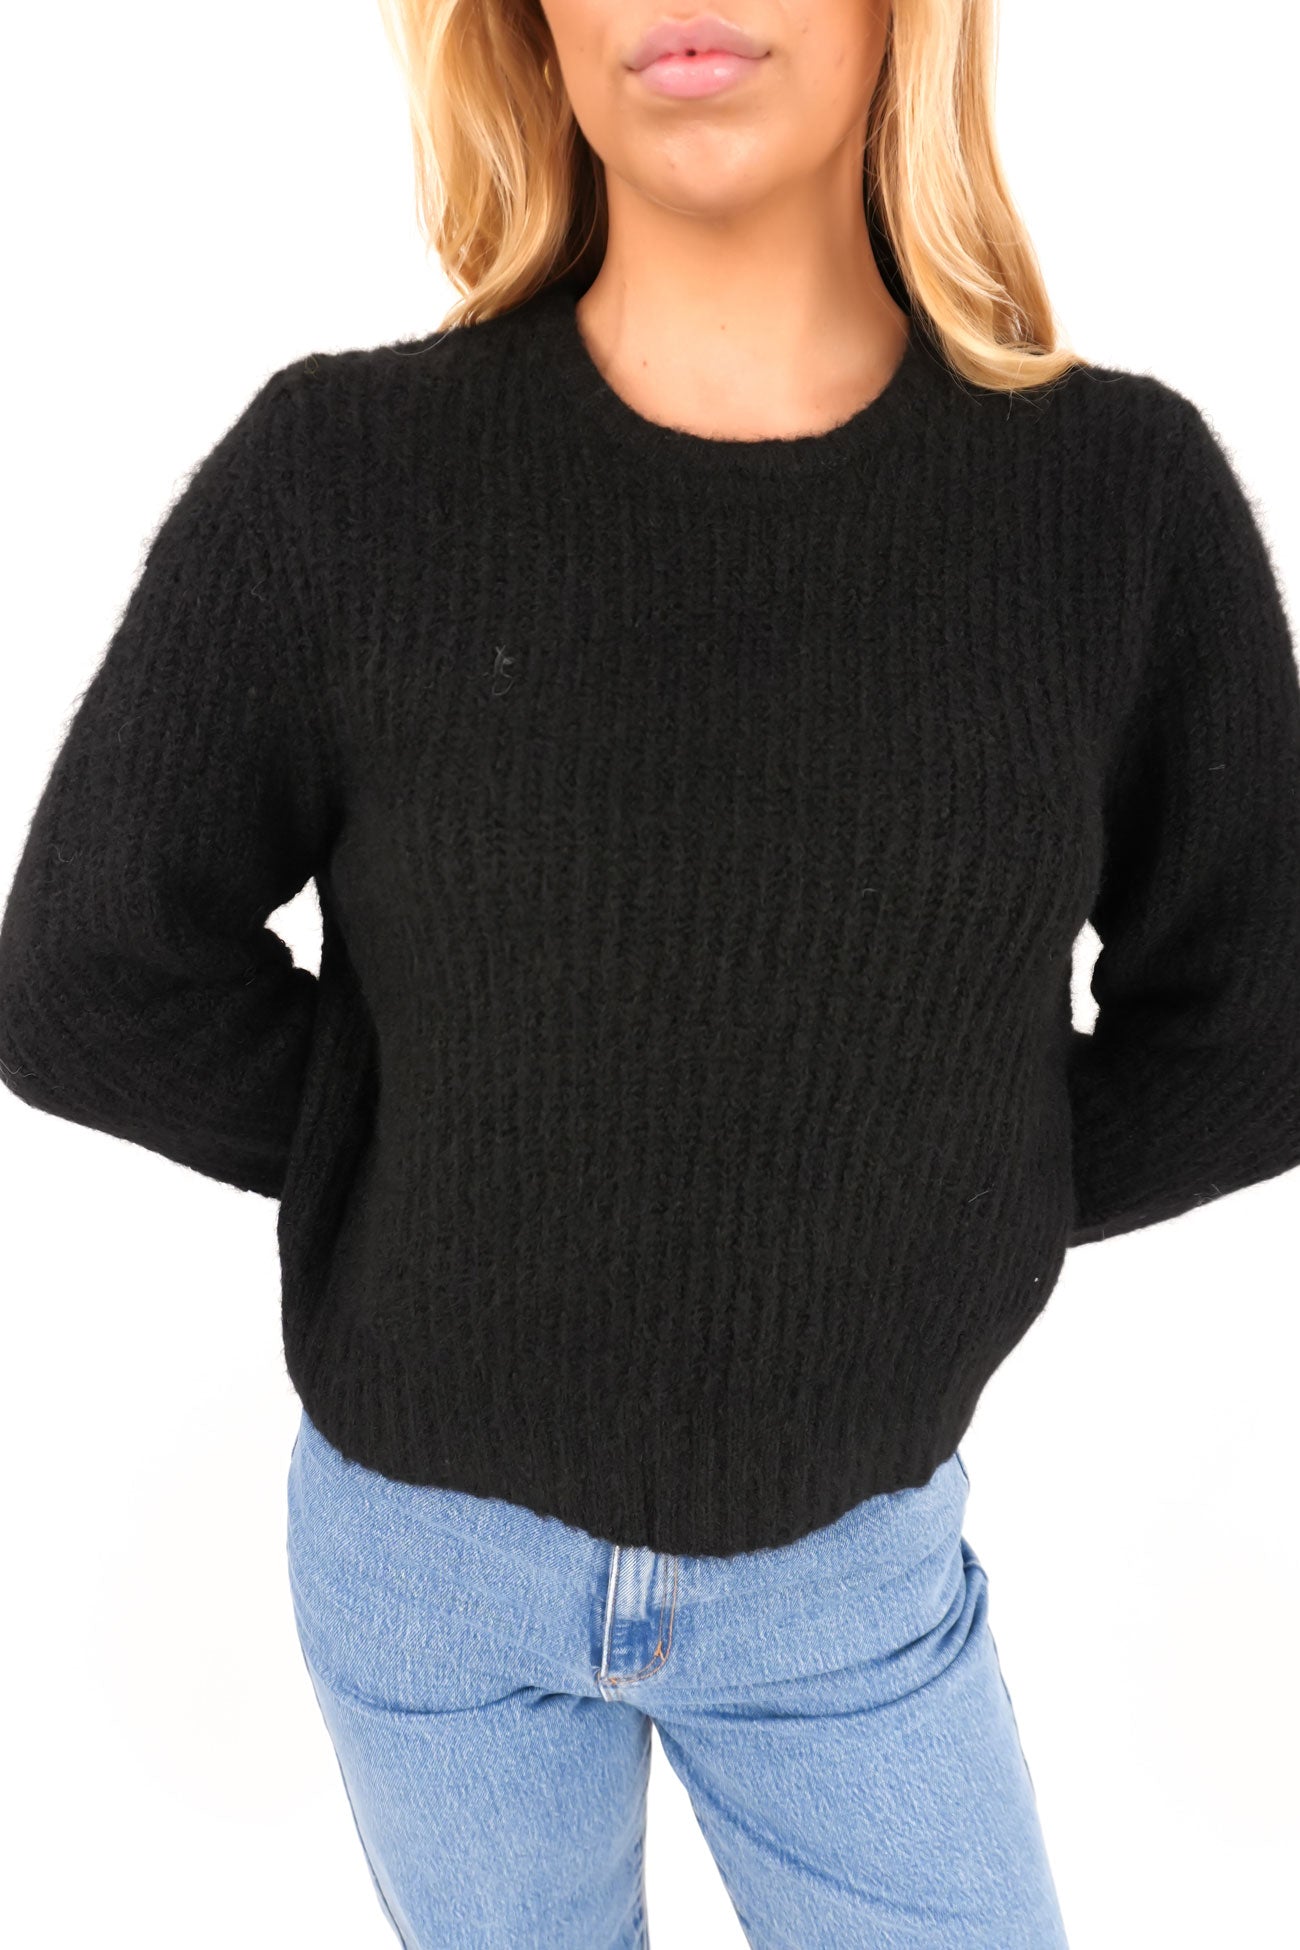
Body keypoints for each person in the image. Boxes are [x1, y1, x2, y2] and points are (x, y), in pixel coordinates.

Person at [2, 1, 1297, 1944]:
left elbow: (1256, 1031)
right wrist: (437, 1142)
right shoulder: (342, 476)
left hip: (846, 1579)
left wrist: (929, 1186)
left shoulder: (1113, 503)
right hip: (425, 1566)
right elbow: (89, 976)